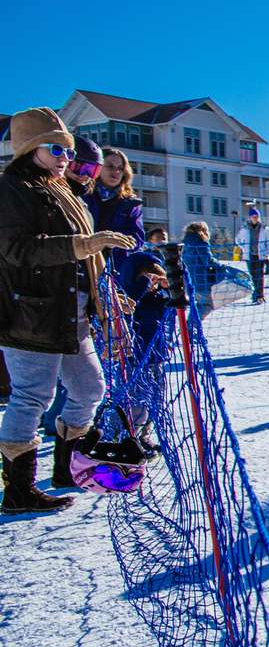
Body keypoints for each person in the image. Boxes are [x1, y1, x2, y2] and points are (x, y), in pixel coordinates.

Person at [0, 108, 136, 512]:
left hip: (71, 311)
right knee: (31, 397)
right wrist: (82, 245)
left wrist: (106, 295)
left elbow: (86, 258)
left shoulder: (62, 191)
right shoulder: (12, 188)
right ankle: (19, 490)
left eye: (69, 151)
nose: (65, 158)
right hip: (31, 312)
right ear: (29, 148)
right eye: (55, 148)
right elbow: (16, 249)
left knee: (90, 388)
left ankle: (67, 469)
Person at [83, 144, 144, 275]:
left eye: (120, 168)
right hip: (84, 262)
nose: (115, 172)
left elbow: (138, 238)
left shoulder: (131, 204)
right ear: (98, 167)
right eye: (110, 166)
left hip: (115, 268)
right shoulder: (83, 195)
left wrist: (114, 241)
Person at [235, 206, 269, 303]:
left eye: (257, 216)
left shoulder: (264, 228)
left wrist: (267, 253)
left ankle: (260, 296)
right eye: (253, 216)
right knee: (253, 276)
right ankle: (255, 294)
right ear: (250, 217)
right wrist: (244, 248)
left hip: (260, 255)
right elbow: (238, 240)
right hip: (249, 256)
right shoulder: (245, 228)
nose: (255, 218)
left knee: (259, 276)